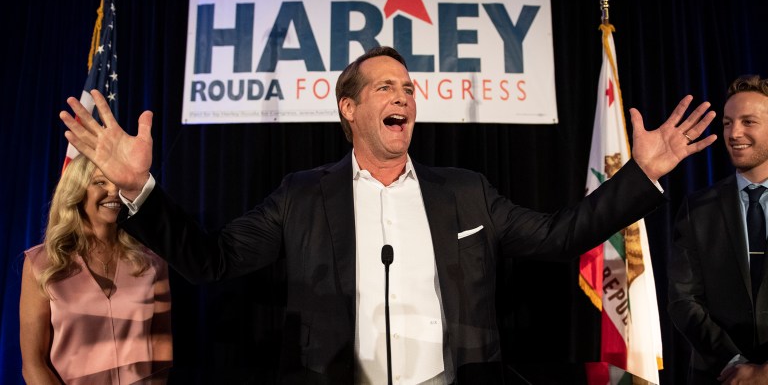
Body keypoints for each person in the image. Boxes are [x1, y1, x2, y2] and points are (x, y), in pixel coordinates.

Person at [60, 46, 715, 384]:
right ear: (349, 108)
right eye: (386, 87)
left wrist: (640, 176)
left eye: (409, 88)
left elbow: (559, 235)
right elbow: (211, 260)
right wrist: (142, 188)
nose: (405, 95)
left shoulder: (465, 191)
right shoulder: (301, 195)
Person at [19, 154, 173, 384]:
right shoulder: (42, 263)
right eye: (100, 182)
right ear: (76, 191)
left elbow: (161, 347)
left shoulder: (152, 261)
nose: (114, 192)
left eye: (120, 184)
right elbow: (33, 364)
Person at [669, 75, 768, 385]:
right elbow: (683, 300)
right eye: (727, 123)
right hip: (718, 377)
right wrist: (734, 363)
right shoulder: (698, 208)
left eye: (748, 122)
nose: (734, 133)